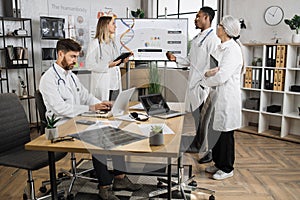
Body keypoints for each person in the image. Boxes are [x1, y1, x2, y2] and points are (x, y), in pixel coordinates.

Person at [39, 39, 141, 200]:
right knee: (99, 137)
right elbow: (60, 108)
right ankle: (104, 186)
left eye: (76, 57)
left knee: (113, 129)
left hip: (78, 119)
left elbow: (85, 96)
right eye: (72, 57)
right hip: (61, 125)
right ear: (60, 54)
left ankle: (120, 178)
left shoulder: (70, 75)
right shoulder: (48, 79)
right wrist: (90, 109)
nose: (75, 61)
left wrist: (99, 103)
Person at [166, 6, 220, 163]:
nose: (195, 19)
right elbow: (190, 61)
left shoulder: (213, 40)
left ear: (207, 18)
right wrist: (176, 59)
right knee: (197, 118)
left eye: (198, 16)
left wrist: (205, 83)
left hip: (204, 86)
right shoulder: (197, 39)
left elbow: (215, 66)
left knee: (206, 120)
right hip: (194, 84)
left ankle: (209, 151)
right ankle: (197, 144)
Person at [195, 15, 243, 180]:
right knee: (215, 131)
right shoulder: (220, 47)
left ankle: (227, 168)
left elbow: (221, 76)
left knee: (226, 134)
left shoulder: (233, 50)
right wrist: (208, 74)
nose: (218, 27)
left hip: (227, 98)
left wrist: (207, 76)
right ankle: (217, 163)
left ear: (226, 30)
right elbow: (210, 69)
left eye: (220, 25)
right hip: (215, 95)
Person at [86, 16, 130, 101]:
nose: (115, 26)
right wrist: (107, 66)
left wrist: (122, 61)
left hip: (114, 82)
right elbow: (89, 65)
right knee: (104, 108)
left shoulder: (112, 43)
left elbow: (114, 61)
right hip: (102, 82)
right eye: (113, 24)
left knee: (114, 108)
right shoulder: (95, 43)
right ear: (106, 25)